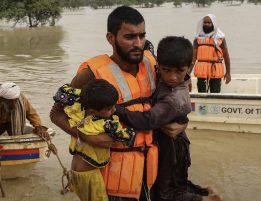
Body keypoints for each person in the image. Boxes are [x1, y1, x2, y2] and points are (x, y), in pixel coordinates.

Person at [50, 6, 186, 201]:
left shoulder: (152, 63)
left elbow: (175, 97)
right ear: (111, 38)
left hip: (150, 176)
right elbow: (56, 114)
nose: (138, 43)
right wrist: (86, 136)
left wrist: (183, 123)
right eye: (130, 37)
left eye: (142, 36)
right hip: (112, 182)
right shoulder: (91, 73)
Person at [115, 36, 223, 201]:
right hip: (172, 140)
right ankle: (207, 191)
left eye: (179, 71)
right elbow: (150, 48)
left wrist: (116, 109)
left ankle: (206, 199)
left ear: (189, 68)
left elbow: (147, 120)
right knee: (175, 182)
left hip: (173, 146)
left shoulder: (173, 99)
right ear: (158, 66)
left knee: (166, 193)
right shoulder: (167, 76)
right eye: (166, 70)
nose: (172, 77)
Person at [53, 79, 135, 201]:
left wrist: (84, 93)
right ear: (92, 111)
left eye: (114, 105)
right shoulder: (105, 125)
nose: (114, 110)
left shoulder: (77, 110)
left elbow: (63, 92)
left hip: (76, 171)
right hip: (89, 174)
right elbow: (123, 137)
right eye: (109, 108)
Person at [192, 14, 231, 93]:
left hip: (216, 70)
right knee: (202, 94)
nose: (206, 24)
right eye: (205, 22)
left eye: (209, 22)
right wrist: (187, 73)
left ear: (213, 23)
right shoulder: (198, 38)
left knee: (215, 94)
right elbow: (193, 58)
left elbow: (226, 56)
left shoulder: (220, 37)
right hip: (202, 71)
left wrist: (228, 73)